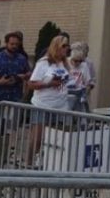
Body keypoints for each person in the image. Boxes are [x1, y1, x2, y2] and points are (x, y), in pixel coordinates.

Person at [26, 34, 72, 166]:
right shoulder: (44, 63)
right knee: (38, 137)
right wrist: (49, 84)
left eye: (67, 45)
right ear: (56, 47)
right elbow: (31, 84)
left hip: (60, 105)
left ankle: (50, 162)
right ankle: (29, 163)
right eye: (64, 46)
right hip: (42, 104)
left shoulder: (64, 63)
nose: (66, 48)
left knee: (56, 137)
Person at [0, 32, 31, 103]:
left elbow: (28, 73)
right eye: (12, 44)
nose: (14, 46)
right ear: (6, 43)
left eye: (16, 44)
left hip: (16, 98)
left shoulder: (22, 59)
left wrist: (23, 76)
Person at [67, 42, 93, 112]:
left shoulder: (84, 66)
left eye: (80, 61)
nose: (78, 63)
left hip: (79, 94)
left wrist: (85, 94)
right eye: (75, 61)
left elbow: (88, 82)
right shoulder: (66, 63)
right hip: (67, 93)